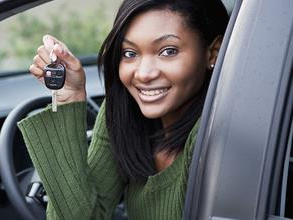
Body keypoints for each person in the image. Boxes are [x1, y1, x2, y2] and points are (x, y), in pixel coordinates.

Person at [17, 0, 229, 219]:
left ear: (213, 53)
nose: (144, 74)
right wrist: (68, 97)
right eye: (130, 53)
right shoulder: (124, 114)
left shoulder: (213, 132)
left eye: (168, 51)